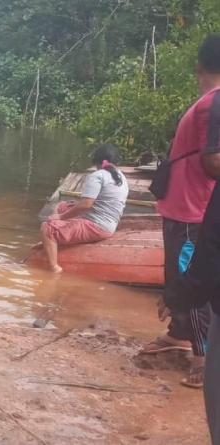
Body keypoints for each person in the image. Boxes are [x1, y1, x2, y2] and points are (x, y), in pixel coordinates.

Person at [140, 36, 220, 390]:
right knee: (177, 276)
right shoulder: (207, 104)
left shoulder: (212, 104)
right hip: (181, 206)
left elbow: (212, 161)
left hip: (192, 208)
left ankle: (203, 359)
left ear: (198, 65)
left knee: (191, 279)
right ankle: (179, 334)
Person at [37, 143, 129, 273]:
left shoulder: (98, 176)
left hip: (97, 225)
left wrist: (60, 217)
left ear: (96, 160)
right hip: (108, 222)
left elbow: (85, 205)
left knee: (47, 228)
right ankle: (55, 241)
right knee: (62, 206)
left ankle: (54, 268)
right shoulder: (120, 175)